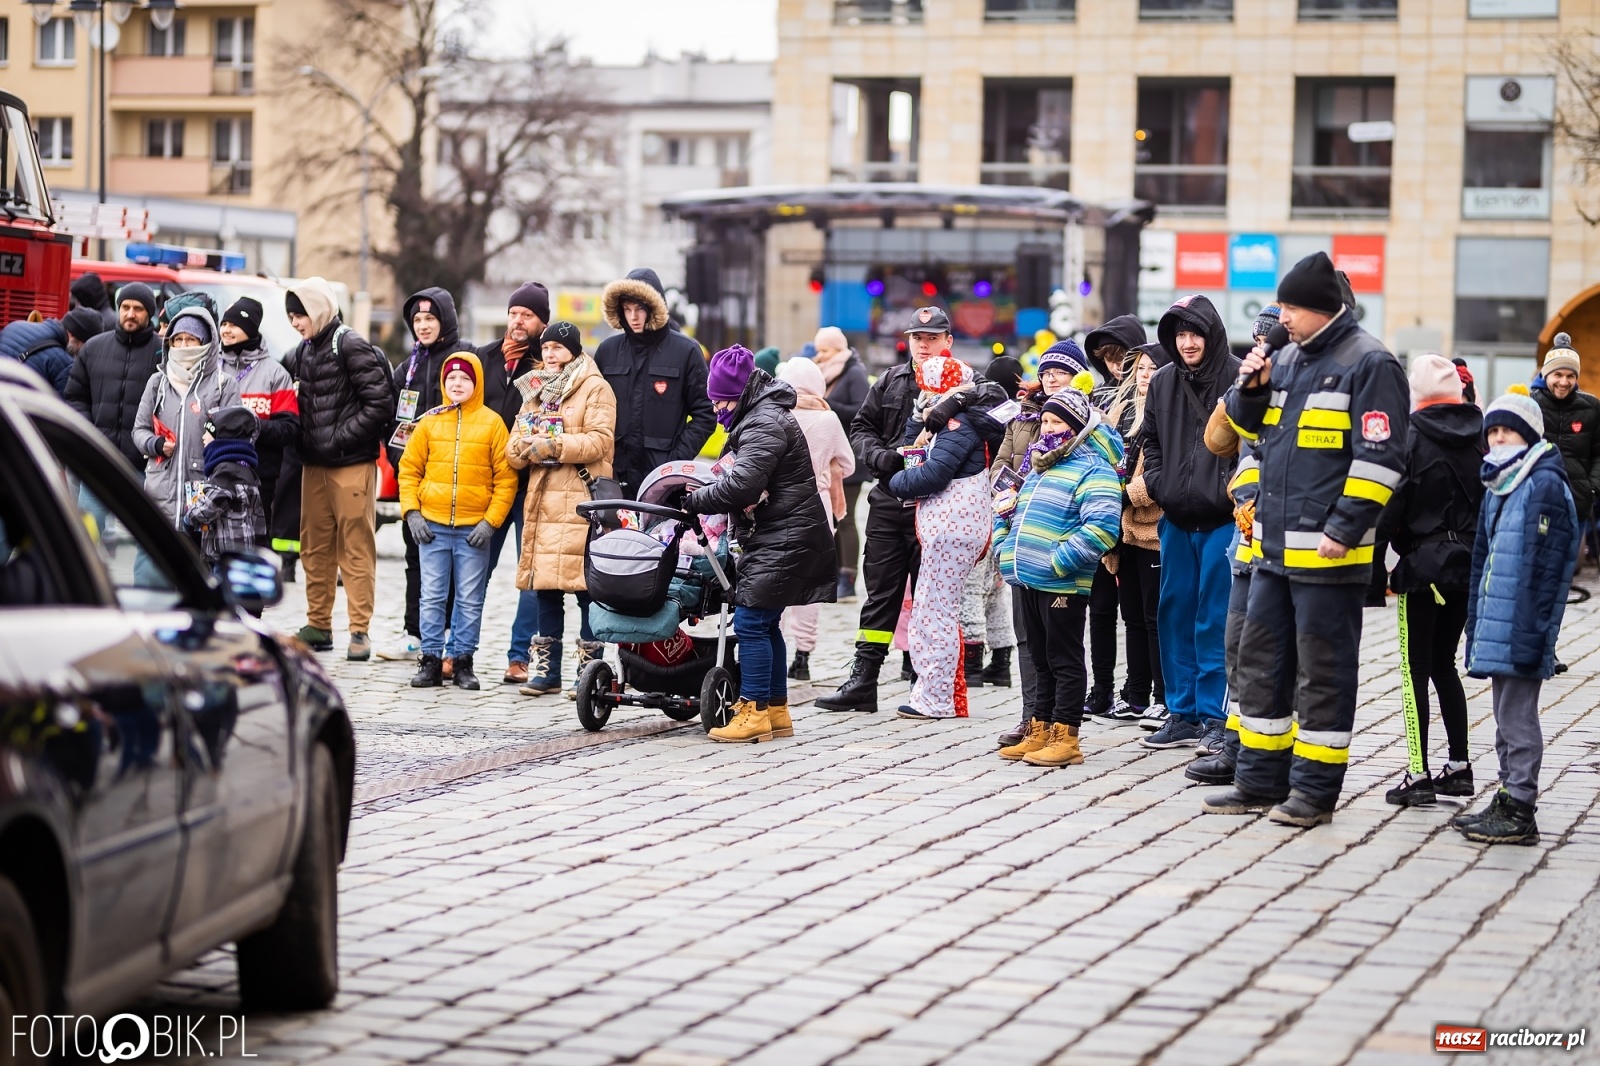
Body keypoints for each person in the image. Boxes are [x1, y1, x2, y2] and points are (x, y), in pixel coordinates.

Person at [1214, 251, 1409, 828]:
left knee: (1321, 674)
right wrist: (1251, 386)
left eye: (1292, 308)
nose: (1282, 317)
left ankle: (1314, 793)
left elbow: (1382, 458)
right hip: (1273, 551)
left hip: (1330, 556)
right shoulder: (1288, 357)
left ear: (1322, 309)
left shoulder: (1371, 362)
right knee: (1260, 663)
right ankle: (1257, 780)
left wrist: (1344, 529)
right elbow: (1252, 432)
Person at [816, 307, 1002, 712]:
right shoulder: (890, 380)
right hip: (888, 500)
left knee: (929, 598)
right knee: (880, 593)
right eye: (918, 337)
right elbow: (861, 428)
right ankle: (863, 680)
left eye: (932, 337)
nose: (924, 345)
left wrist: (955, 402)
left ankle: (924, 680)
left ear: (948, 342)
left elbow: (997, 403)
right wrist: (883, 459)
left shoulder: (968, 380)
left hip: (937, 506)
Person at [682, 346, 837, 743]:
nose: (715, 406)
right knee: (767, 624)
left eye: (720, 398)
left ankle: (753, 712)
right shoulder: (761, 415)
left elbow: (742, 485)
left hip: (783, 535)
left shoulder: (763, 422)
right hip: (784, 532)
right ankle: (776, 711)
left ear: (738, 392)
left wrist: (694, 499)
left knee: (751, 622)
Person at [1453, 387, 1578, 845]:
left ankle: (1521, 806)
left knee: (1519, 720)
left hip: (1523, 625)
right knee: (1504, 720)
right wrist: (1476, 620)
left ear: (1529, 436)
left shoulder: (1542, 484)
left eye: (1509, 432)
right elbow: (1483, 558)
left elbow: (1547, 569)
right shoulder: (1500, 482)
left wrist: (1533, 630)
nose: (1501, 439)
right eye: (1495, 432)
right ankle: (1507, 795)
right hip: (1497, 621)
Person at [994, 389, 1124, 767]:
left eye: (1058, 422)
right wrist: (1005, 546)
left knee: (1063, 658)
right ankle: (1040, 728)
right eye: (1046, 422)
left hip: (1061, 582)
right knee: (1039, 658)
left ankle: (1066, 735)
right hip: (1027, 579)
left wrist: (1059, 561)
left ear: (1077, 428)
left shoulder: (1093, 468)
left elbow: (1101, 527)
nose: (1049, 428)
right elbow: (1010, 514)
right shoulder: (1040, 466)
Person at [1377, 354, 1484, 807]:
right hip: (1467, 563)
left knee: (1414, 670)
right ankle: (1459, 767)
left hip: (1422, 566)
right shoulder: (1482, 435)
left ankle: (1417, 774)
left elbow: (1391, 503)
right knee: (1444, 665)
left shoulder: (1411, 437)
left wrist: (1374, 570)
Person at [1140, 295, 1240, 752]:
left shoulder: (1239, 377)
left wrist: (1230, 489)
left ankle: (1215, 716)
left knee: (1214, 618)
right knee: (1174, 613)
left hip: (1225, 519)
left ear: (1211, 333)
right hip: (1176, 519)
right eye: (1179, 334)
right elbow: (1152, 440)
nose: (1186, 342)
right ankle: (1180, 713)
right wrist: (1159, 484)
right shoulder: (1162, 381)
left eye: (1194, 332)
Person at [280, 277, 394, 660]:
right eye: (292, 316)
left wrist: (340, 437)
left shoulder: (350, 343)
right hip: (313, 466)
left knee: (356, 548)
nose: (296, 322)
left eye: (300, 315)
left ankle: (359, 631)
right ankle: (318, 624)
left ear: (318, 310)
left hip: (350, 464)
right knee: (314, 548)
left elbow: (379, 404)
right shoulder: (302, 351)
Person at [885, 354, 1002, 720]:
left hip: (953, 525)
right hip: (950, 525)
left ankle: (938, 697)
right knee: (931, 607)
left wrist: (894, 483)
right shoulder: (942, 419)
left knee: (935, 610)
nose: (921, 393)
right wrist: (918, 421)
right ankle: (939, 693)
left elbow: (931, 474)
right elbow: (911, 454)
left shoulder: (957, 423)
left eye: (926, 388)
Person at [506, 321, 617, 696]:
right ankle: (546, 669)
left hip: (578, 498)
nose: (550, 355)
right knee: (546, 589)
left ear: (573, 350)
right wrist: (526, 448)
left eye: (557, 348)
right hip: (542, 499)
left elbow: (599, 442)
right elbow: (514, 443)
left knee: (586, 587)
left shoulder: (595, 386)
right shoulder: (535, 389)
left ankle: (587, 671)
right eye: (546, 348)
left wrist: (552, 446)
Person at [989, 342, 1090, 743]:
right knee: (1027, 638)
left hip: (1057, 551)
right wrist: (1004, 516)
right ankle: (1032, 717)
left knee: (1060, 644)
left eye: (1060, 373)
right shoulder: (1024, 417)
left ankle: (1059, 723)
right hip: (1019, 536)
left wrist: (1062, 557)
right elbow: (1001, 463)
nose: (1050, 378)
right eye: (1046, 372)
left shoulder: (1083, 424)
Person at [399, 352, 518, 692]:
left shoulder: (493, 424)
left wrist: (490, 522)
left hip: (473, 531)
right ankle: (431, 660)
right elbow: (409, 470)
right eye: (451, 378)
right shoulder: (429, 423)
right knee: (432, 595)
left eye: (464, 378)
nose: (457, 384)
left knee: (469, 597)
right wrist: (412, 512)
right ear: (443, 383)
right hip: (432, 527)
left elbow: (505, 480)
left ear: (476, 382)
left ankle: (463, 660)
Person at [381, 288, 473, 664]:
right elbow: (393, 421)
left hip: (457, 479)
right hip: (416, 481)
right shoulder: (408, 368)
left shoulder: (465, 358)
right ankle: (415, 633)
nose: (423, 326)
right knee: (415, 558)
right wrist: (398, 458)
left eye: (430, 319)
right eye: (417, 320)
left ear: (445, 321)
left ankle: (452, 636)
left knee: (454, 562)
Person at [477, 282, 549, 684]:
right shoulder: (483, 357)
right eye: (515, 314)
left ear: (542, 322)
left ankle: (519, 657)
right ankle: (459, 648)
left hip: (530, 484)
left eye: (528, 315)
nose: (519, 322)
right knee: (475, 568)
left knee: (530, 574)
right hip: (488, 482)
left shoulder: (547, 366)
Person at [594, 268, 714, 496]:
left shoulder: (686, 351)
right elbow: (594, 410)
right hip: (614, 476)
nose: (633, 317)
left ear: (654, 307)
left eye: (640, 309)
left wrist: (675, 462)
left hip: (664, 481)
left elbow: (706, 413)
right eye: (627, 309)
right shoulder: (607, 351)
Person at [131, 309, 241, 549]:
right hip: (160, 493)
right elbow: (139, 430)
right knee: (152, 569)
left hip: (205, 495)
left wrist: (216, 441)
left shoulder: (224, 385)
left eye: (191, 339)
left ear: (206, 342)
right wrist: (156, 444)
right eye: (177, 339)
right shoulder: (157, 382)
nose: (183, 345)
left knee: (196, 573)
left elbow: (238, 439)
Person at [776, 356, 854, 682]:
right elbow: (847, 464)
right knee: (809, 583)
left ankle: (773, 646)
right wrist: (829, 468)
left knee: (774, 581)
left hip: (779, 506)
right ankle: (803, 656)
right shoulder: (829, 419)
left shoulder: (776, 415)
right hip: (818, 506)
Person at [1106, 343, 1167, 727]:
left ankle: (1163, 696)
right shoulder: (1119, 411)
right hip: (1120, 529)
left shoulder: (1164, 412)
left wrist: (1125, 494)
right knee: (1129, 616)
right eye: (1141, 367)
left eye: (1152, 367)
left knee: (1154, 616)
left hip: (1151, 528)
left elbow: (1164, 474)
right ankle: (1135, 692)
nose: (1145, 374)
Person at [959, 354, 1026, 690]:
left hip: (981, 502)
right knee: (997, 588)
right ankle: (1001, 659)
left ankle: (971, 660)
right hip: (1011, 506)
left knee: (972, 584)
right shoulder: (1025, 416)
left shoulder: (984, 416)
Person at [218, 298, 299, 551]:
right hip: (214, 473)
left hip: (259, 477)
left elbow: (289, 428)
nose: (226, 330)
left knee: (254, 547)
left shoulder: (275, 373)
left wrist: (252, 426)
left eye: (234, 324)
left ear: (251, 328)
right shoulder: (212, 367)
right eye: (224, 323)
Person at [66, 282, 162, 470]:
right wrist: (89, 434)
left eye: (138, 309)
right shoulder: (93, 348)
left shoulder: (163, 352)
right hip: (97, 461)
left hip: (144, 466)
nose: (130, 314)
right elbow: (75, 397)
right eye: (125, 307)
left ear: (149, 313)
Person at [811, 325, 872, 601]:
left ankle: (848, 578)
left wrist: (827, 406)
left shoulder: (854, 373)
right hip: (829, 458)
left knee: (845, 519)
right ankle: (834, 576)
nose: (819, 355)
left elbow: (863, 411)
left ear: (837, 349)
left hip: (850, 459)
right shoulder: (827, 373)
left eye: (824, 349)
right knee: (831, 517)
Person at [1529, 333, 1600, 559]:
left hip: (1576, 505)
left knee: (1565, 572)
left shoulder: (1591, 408)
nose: (1564, 382)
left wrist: (1591, 489)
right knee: (1535, 566)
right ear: (1546, 373)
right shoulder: (1529, 404)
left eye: (1570, 375)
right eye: (1557, 374)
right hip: (1536, 502)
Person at [184, 405, 268, 562]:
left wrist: (188, 517)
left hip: (223, 555)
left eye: (208, 434)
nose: (203, 438)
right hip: (244, 555)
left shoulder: (225, 472)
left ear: (221, 440)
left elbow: (207, 508)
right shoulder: (248, 472)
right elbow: (259, 523)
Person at [1083, 313, 1147, 410]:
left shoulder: (1150, 390)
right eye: (1109, 360)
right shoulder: (1100, 394)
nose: (1115, 368)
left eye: (1120, 359)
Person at [0, 318, 73, 397]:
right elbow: (62, 405)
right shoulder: (66, 363)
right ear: (72, 335)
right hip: (18, 403)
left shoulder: (14, 325)